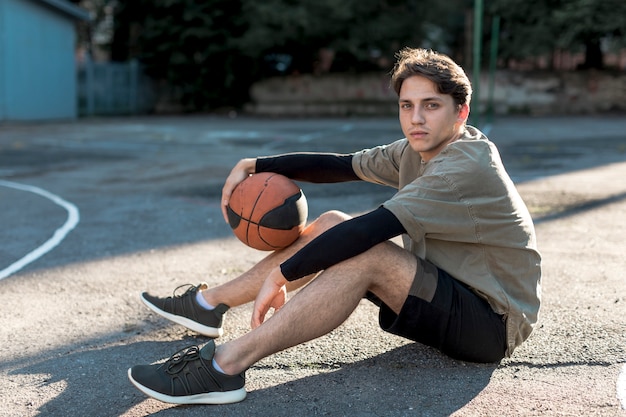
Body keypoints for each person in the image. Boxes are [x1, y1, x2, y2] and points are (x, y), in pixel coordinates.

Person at [128, 47, 541, 405]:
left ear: (460, 111)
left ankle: (223, 366)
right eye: (406, 105)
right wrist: (256, 165)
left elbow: (370, 231)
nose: (416, 118)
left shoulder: (462, 166)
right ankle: (207, 305)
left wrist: (282, 274)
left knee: (367, 254)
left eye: (431, 105)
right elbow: (341, 166)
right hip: (447, 293)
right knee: (331, 223)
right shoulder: (419, 148)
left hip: (491, 324)